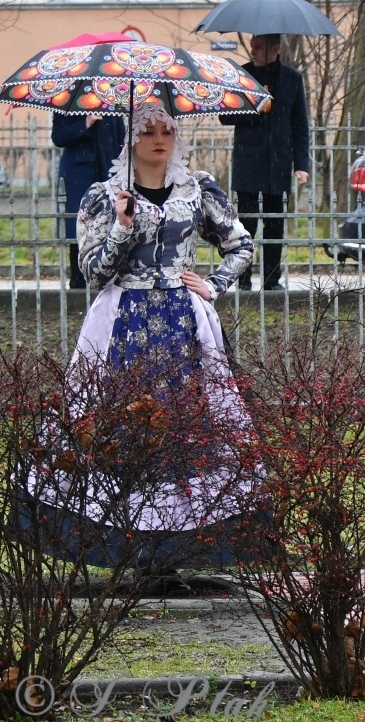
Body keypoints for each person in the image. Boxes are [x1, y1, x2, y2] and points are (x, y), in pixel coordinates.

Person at [29, 105, 258, 567]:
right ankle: (125, 547)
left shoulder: (197, 191)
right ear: (130, 140)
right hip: (122, 324)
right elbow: (93, 273)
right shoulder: (104, 195)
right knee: (121, 425)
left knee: (190, 424)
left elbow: (241, 243)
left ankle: (185, 550)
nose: (159, 139)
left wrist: (212, 284)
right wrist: (122, 226)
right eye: (147, 131)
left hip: (184, 324)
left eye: (166, 131)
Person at [217, 34, 310, 292]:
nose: (253, 51)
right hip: (248, 159)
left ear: (275, 48)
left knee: (274, 223)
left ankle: (272, 279)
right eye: (252, 46)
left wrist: (301, 164)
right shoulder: (241, 75)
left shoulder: (292, 79)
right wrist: (253, 108)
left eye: (258, 46)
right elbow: (224, 116)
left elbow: (300, 124)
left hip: (278, 161)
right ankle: (243, 279)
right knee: (246, 223)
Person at [52, 110, 123, 290]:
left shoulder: (111, 98)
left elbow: (121, 137)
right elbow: (58, 137)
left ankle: (108, 281)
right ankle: (78, 283)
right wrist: (86, 123)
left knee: (110, 226)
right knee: (78, 228)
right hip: (78, 174)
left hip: (108, 168)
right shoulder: (69, 100)